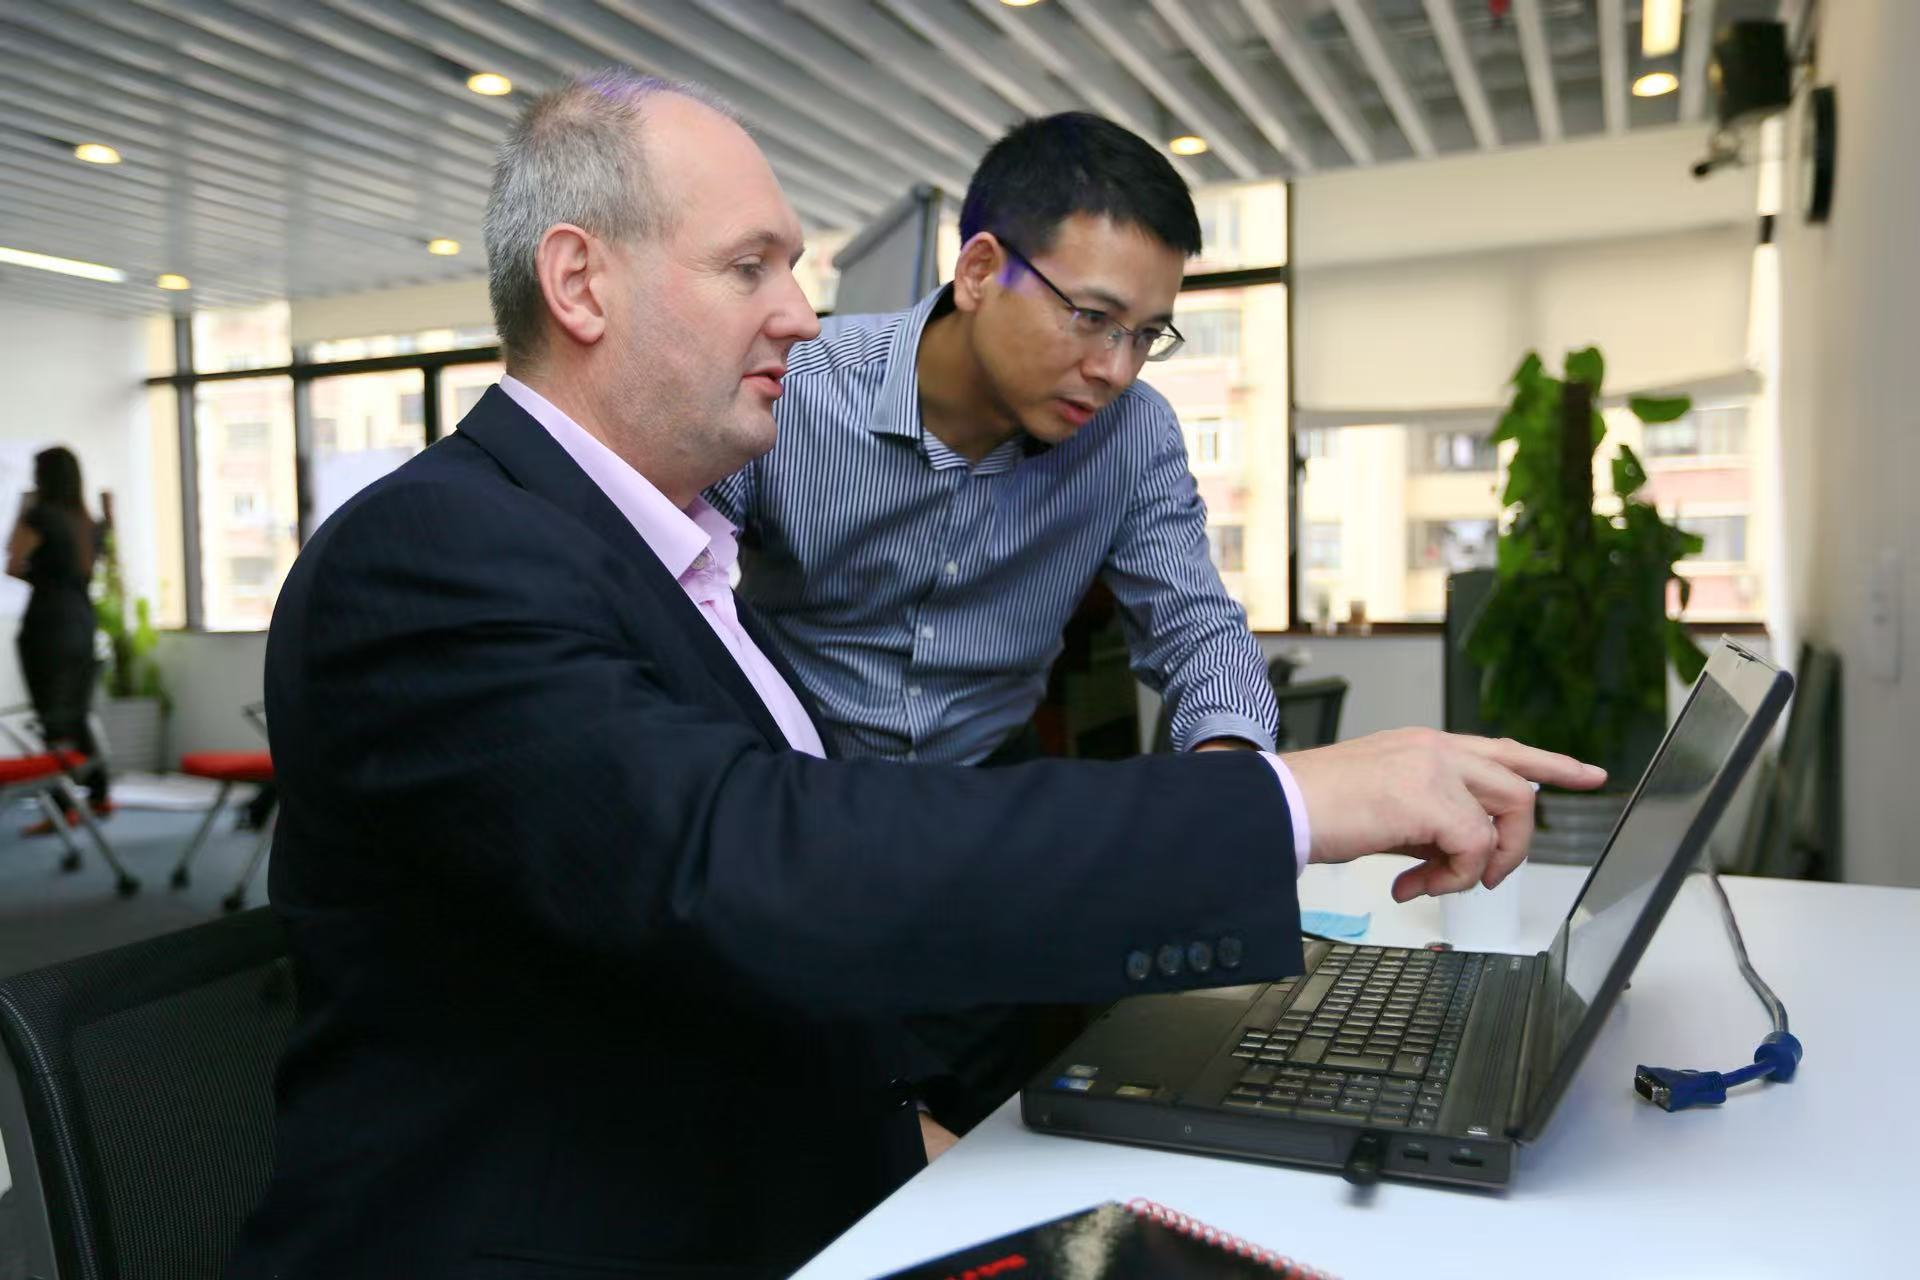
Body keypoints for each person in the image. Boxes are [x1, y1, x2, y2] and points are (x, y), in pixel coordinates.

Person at [227, 73, 1604, 1280]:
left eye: (796, 267)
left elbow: (719, 929)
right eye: (752, 268)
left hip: (790, 1092)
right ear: (581, 284)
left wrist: (914, 1139)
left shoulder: (660, 548)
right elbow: (749, 863)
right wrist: (1291, 806)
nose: (803, 314)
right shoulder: (435, 555)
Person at [704, 111, 1281, 1131]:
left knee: (982, 1146)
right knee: (801, 1138)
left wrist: (1227, 789)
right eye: (1092, 317)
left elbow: (1199, 631)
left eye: (1145, 334)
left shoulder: (1132, 435)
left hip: (983, 832)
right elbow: (679, 600)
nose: (1116, 367)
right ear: (979, 270)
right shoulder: (796, 390)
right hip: (799, 832)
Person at [6, 446, 109, 824]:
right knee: (76, 712)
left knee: (51, 717)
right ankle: (98, 794)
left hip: (47, 623)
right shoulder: (86, 521)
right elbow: (91, 570)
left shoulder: (39, 516)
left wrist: (23, 509)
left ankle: (62, 805)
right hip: (82, 621)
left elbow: (13, 561)